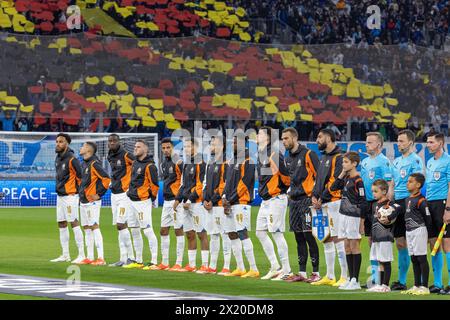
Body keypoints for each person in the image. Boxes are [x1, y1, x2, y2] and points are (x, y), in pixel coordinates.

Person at [281, 127, 321, 283]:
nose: (284, 141)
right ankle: (302, 273)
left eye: (286, 138)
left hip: (307, 200)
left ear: (294, 138)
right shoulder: (287, 157)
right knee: (298, 236)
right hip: (294, 201)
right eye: (283, 139)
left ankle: (316, 273)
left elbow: (319, 175)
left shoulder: (308, 154)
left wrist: (316, 196)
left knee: (308, 235)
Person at [311, 129, 348, 287]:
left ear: (329, 137)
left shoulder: (339, 157)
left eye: (320, 137)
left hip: (334, 202)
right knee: (325, 238)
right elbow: (318, 179)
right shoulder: (323, 157)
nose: (317, 140)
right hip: (322, 203)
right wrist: (314, 195)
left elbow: (335, 181)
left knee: (338, 238)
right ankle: (330, 275)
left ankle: (345, 276)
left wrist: (321, 198)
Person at [255, 126, 292, 281]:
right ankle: (275, 267)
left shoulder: (275, 154)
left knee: (277, 233)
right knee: (260, 232)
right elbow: (265, 176)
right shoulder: (261, 154)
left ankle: (287, 270)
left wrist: (282, 191)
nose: (257, 135)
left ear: (268, 138)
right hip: (265, 200)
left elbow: (286, 176)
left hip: (276, 198)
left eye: (260, 134)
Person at [390, 129, 424, 290]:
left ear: (410, 142)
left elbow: (418, 184)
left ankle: (421, 282)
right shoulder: (396, 161)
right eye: (397, 140)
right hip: (397, 203)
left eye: (401, 141)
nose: (398, 143)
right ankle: (402, 281)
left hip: (409, 203)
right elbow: (393, 182)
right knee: (400, 243)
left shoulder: (415, 160)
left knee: (415, 243)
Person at [222, 134, 258, 278]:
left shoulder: (249, 160)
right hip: (230, 203)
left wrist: (229, 199)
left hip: (241, 203)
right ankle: (240, 267)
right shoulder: (232, 161)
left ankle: (254, 269)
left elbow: (244, 183)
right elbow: (227, 181)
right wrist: (224, 197)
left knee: (242, 233)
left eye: (236, 143)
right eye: (233, 142)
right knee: (231, 234)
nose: (234, 145)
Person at [360, 132, 393, 286]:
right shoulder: (365, 162)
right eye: (366, 142)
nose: (367, 145)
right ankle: (375, 278)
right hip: (367, 204)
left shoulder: (384, 162)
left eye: (370, 142)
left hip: (378, 204)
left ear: (378, 145)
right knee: (370, 240)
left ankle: (381, 280)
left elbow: (388, 183)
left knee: (380, 241)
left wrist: (385, 205)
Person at [330, 151, 367, 290]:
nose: (343, 164)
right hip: (343, 215)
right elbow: (333, 188)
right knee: (346, 247)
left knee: (354, 246)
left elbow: (363, 202)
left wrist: (362, 222)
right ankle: (350, 278)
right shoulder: (346, 178)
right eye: (343, 162)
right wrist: (341, 173)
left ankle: (355, 280)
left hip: (353, 217)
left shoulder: (358, 181)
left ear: (354, 164)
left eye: (346, 162)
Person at [173, 138, 208, 273]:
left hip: (196, 204)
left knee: (201, 233)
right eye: (185, 147)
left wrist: (190, 200)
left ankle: (205, 265)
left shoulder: (201, 164)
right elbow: (183, 184)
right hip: (185, 203)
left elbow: (201, 185)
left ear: (196, 148)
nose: (186, 149)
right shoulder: (187, 164)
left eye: (189, 146)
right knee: (189, 233)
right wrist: (178, 199)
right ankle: (192, 265)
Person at [50, 133, 85, 264]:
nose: (58, 144)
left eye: (61, 142)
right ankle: (65, 255)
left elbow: (81, 178)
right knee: (61, 223)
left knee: (74, 223)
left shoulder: (72, 159)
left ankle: (81, 254)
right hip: (60, 196)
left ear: (67, 144)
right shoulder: (58, 158)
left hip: (70, 196)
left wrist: (81, 195)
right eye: (57, 141)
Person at [126, 140, 159, 270]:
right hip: (131, 201)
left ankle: (154, 261)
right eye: (135, 147)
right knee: (134, 230)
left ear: (145, 150)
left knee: (147, 230)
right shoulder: (135, 163)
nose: (135, 149)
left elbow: (155, 186)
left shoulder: (150, 166)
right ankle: (138, 260)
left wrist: (150, 199)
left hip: (142, 202)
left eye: (138, 147)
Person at [425, 133, 450, 294]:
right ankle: (438, 283)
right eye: (427, 142)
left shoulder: (448, 160)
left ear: (440, 143)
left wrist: (448, 209)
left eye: (431, 142)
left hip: (443, 204)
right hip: (431, 204)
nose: (428, 145)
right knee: (433, 244)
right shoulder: (429, 162)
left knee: (447, 244)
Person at [78, 141, 111, 266]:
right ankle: (89, 257)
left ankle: (101, 258)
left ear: (88, 150)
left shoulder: (94, 164)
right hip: (84, 201)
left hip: (92, 202)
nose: (81, 148)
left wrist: (99, 194)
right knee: (86, 228)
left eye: (83, 146)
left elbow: (107, 179)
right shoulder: (84, 164)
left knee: (94, 226)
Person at [107, 134, 137, 267]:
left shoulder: (126, 155)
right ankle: (123, 258)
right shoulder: (110, 155)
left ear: (119, 142)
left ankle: (131, 257)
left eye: (114, 141)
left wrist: (132, 184)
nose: (112, 143)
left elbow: (140, 165)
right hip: (114, 194)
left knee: (121, 224)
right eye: (110, 141)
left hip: (125, 194)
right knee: (119, 227)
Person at [203, 136, 231, 274]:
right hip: (210, 205)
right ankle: (212, 266)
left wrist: (212, 200)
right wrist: (204, 199)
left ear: (222, 146)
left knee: (224, 235)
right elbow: (206, 184)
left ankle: (226, 266)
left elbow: (223, 185)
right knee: (213, 235)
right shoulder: (211, 162)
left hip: (220, 205)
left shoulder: (226, 163)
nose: (212, 146)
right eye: (211, 144)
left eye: (214, 144)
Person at [367, 179, 401, 293]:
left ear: (384, 191)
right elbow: (374, 222)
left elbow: (398, 208)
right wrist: (371, 236)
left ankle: (386, 285)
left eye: (376, 191)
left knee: (385, 261)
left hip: (386, 237)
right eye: (372, 191)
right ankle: (380, 284)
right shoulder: (375, 204)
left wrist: (390, 217)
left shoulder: (389, 204)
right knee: (378, 260)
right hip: (376, 238)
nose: (373, 194)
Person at [401, 173, 432, 295]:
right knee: (413, 258)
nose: (407, 183)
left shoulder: (421, 200)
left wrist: (428, 235)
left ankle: (425, 287)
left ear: (418, 185)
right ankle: (416, 284)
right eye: (407, 181)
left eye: (410, 181)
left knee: (421, 258)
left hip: (419, 230)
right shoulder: (407, 199)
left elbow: (428, 219)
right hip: (409, 231)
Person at [158, 138, 185, 272]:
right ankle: (164, 262)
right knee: (163, 230)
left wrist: (179, 199)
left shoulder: (179, 163)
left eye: (168, 147)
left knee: (178, 230)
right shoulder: (163, 164)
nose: (166, 150)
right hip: (166, 201)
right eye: (163, 148)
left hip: (176, 201)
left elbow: (183, 182)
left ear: (173, 148)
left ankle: (179, 263)